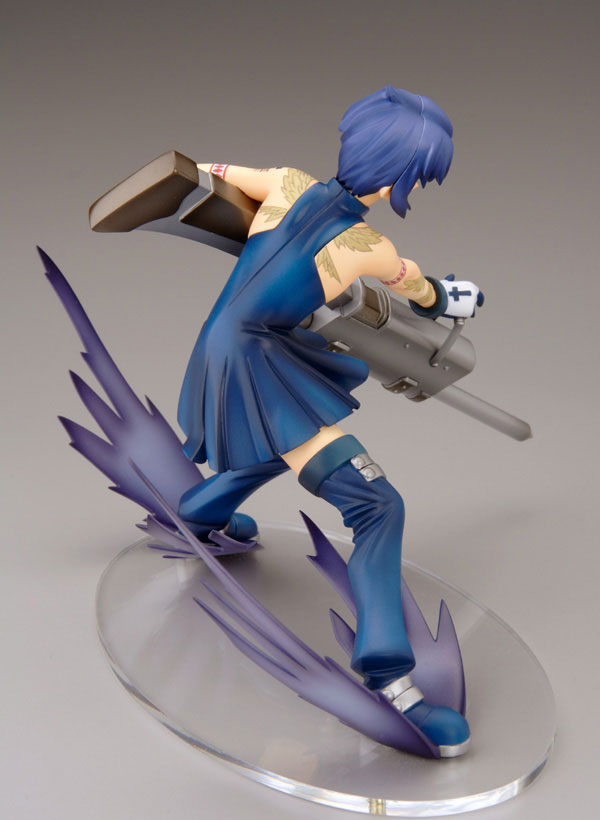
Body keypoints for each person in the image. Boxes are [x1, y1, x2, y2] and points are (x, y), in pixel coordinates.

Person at [177, 86, 481, 756]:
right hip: (259, 366)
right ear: (400, 181)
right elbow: (420, 291)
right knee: (376, 505)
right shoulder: (368, 244)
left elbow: (211, 174)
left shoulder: (287, 183)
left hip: (222, 347)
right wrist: (452, 297)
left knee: (277, 443)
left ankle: (198, 511)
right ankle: (390, 679)